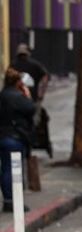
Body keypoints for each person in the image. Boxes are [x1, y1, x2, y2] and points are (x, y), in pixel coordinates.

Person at [0, 68, 36, 212]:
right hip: (14, 137)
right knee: (13, 170)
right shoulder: (18, 97)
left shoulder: (2, 95)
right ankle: (12, 201)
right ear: (18, 82)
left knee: (5, 168)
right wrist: (27, 95)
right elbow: (31, 109)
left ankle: (8, 199)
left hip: (2, 136)